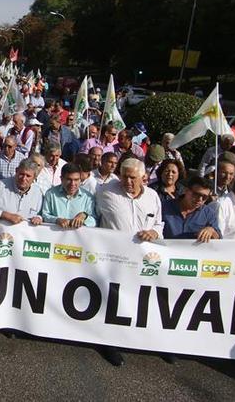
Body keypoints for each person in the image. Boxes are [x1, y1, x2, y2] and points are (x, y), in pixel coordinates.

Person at [95, 157, 163, 367]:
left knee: (136, 300)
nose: (128, 181)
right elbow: (91, 215)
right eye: (124, 176)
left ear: (144, 177)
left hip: (142, 260)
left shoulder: (152, 197)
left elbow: (159, 223)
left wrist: (154, 231)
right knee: (112, 300)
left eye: (133, 177)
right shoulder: (104, 191)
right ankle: (109, 342)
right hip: (113, 258)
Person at [0, 159, 44, 225]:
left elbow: (41, 214)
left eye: (28, 176)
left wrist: (39, 218)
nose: (23, 178)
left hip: (24, 234)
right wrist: (6, 215)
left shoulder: (38, 193)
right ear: (16, 171)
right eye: (21, 174)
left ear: (34, 177)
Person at [162, 176, 221, 241]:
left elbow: (218, 237)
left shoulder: (209, 213)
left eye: (204, 197)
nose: (200, 199)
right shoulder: (164, 207)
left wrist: (211, 231)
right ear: (186, 190)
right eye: (196, 194)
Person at [40, 163, 97, 228]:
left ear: (80, 180)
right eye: (69, 179)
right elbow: (44, 215)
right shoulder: (51, 194)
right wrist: (57, 220)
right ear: (61, 179)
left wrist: (85, 216)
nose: (72, 184)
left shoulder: (88, 197)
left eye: (76, 180)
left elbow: (94, 222)